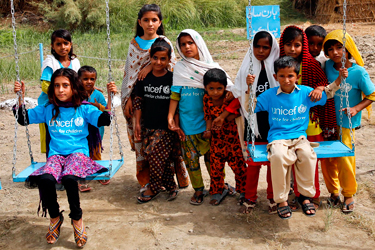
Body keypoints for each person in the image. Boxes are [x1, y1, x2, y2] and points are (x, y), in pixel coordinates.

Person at [13, 68, 117, 247]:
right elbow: (23, 119)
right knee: (45, 179)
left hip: (78, 155)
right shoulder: (48, 109)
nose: (61, 90)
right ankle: (55, 217)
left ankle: (77, 218)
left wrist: (109, 97)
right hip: (56, 156)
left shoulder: (83, 109)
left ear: (74, 87)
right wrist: (20, 97)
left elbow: (104, 120)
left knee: (69, 179)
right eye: (57, 86)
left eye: (65, 86)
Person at [215, 31, 280, 213]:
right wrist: (246, 86)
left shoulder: (277, 68)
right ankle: (250, 197)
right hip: (253, 123)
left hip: (275, 123)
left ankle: (273, 197)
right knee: (252, 163)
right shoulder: (247, 68)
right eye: (257, 46)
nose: (260, 51)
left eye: (265, 47)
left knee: (273, 162)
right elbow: (239, 96)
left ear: (272, 48)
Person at [167, 29, 234, 205]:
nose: (187, 47)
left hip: (209, 125)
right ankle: (198, 190)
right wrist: (170, 117)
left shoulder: (211, 68)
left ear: (198, 43)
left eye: (191, 43)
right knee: (191, 161)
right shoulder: (180, 68)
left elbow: (228, 89)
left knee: (213, 160)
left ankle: (218, 185)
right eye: (183, 44)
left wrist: (229, 94)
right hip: (187, 126)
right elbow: (175, 95)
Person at [279, 26, 337, 210]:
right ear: (282, 45)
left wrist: (319, 88)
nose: (293, 49)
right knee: (292, 159)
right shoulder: (280, 64)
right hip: (287, 121)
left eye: (297, 45)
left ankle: (312, 195)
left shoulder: (311, 64)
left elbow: (322, 82)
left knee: (310, 160)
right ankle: (298, 195)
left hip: (310, 121)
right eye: (288, 45)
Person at [121, 4, 176, 192]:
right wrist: (128, 98)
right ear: (140, 22)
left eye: (154, 20)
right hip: (139, 99)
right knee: (142, 140)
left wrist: (151, 67)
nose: (150, 23)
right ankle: (146, 178)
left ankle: (168, 181)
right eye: (146, 20)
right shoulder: (134, 44)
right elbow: (129, 75)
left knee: (163, 145)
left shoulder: (164, 42)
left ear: (159, 22)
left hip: (161, 102)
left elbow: (173, 68)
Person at [322, 30, 375, 213]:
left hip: (347, 123)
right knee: (328, 160)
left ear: (348, 49)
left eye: (339, 47)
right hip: (329, 121)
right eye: (330, 49)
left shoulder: (358, 72)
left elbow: (372, 94)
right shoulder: (327, 66)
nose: (335, 52)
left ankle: (349, 194)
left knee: (345, 158)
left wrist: (356, 108)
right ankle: (333, 192)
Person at [134, 38, 179, 203]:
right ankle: (171, 186)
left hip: (166, 127)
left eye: (163, 59)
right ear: (150, 58)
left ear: (169, 60)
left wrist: (175, 123)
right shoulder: (143, 78)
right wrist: (137, 123)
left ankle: (153, 187)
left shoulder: (173, 79)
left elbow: (177, 102)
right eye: (155, 58)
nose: (158, 62)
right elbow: (138, 101)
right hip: (149, 125)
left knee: (155, 155)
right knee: (161, 158)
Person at [202, 68, 247, 206]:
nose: (215, 92)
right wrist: (208, 130)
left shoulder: (229, 97)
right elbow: (208, 116)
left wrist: (225, 118)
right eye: (211, 88)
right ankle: (217, 191)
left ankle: (244, 192)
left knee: (239, 167)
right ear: (205, 88)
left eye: (219, 88)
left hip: (233, 140)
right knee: (216, 167)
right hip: (217, 140)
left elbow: (239, 113)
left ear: (225, 87)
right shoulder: (206, 99)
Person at [38, 29, 80, 155]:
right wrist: (61, 94)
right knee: (52, 134)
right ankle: (51, 162)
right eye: (58, 44)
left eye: (66, 43)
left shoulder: (75, 62)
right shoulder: (50, 62)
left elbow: (78, 81)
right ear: (52, 46)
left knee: (69, 133)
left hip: (69, 105)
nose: (63, 47)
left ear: (70, 44)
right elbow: (45, 84)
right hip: (51, 104)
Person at [77, 66, 116, 191]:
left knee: (95, 152)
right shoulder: (76, 93)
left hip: (96, 131)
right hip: (80, 131)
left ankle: (98, 172)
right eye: (85, 79)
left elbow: (106, 109)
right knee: (82, 154)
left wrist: (97, 105)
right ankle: (82, 179)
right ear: (78, 79)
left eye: (92, 79)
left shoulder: (97, 94)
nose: (89, 81)